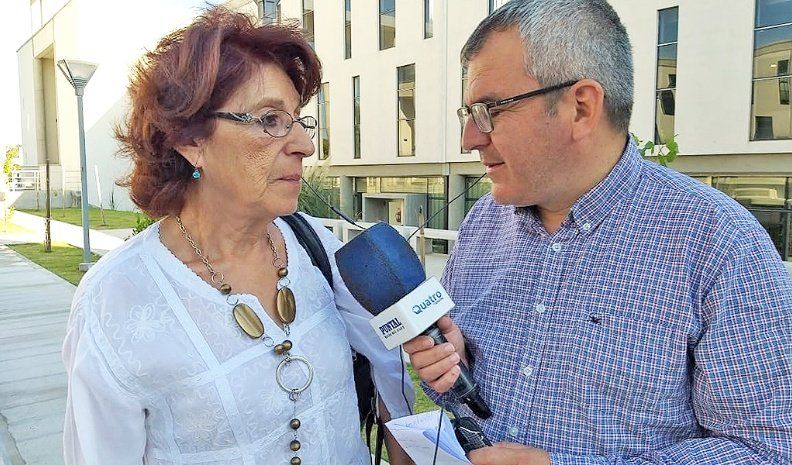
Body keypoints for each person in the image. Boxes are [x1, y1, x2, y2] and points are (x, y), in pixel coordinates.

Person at [404, 1, 792, 464]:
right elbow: (465, 402)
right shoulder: (483, 223)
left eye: (489, 110)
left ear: (581, 107)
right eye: (467, 113)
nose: (469, 138)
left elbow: (767, 449)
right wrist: (454, 372)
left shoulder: (718, 243)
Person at [62, 7, 415, 465]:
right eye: (270, 120)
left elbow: (387, 359)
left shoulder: (314, 246)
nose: (305, 145)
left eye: (299, 119)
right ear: (191, 141)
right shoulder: (115, 301)